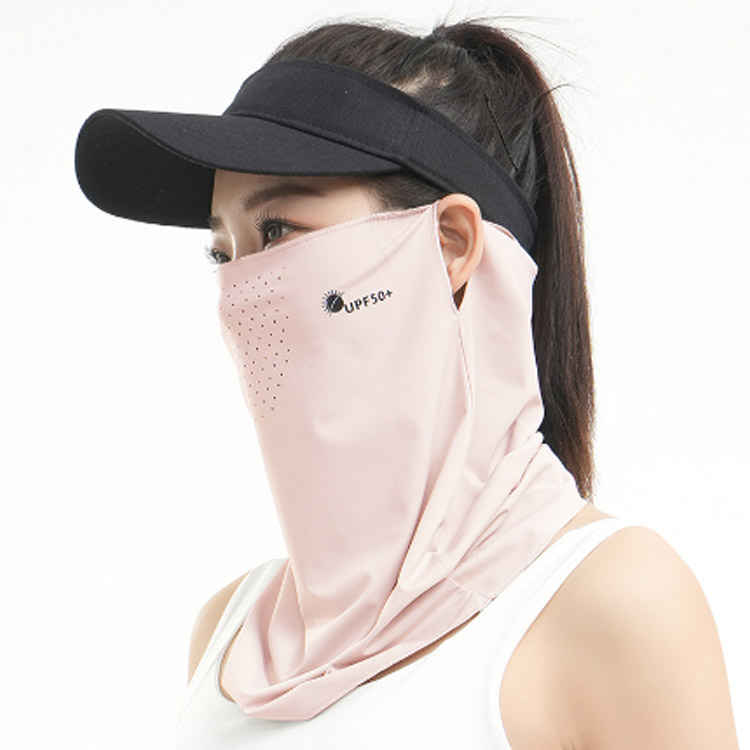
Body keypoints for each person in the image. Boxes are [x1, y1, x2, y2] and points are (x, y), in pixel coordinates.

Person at [74, 20, 738, 750]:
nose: (241, 290)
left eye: (278, 230)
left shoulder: (609, 603)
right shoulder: (228, 631)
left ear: (448, 244)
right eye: (222, 252)